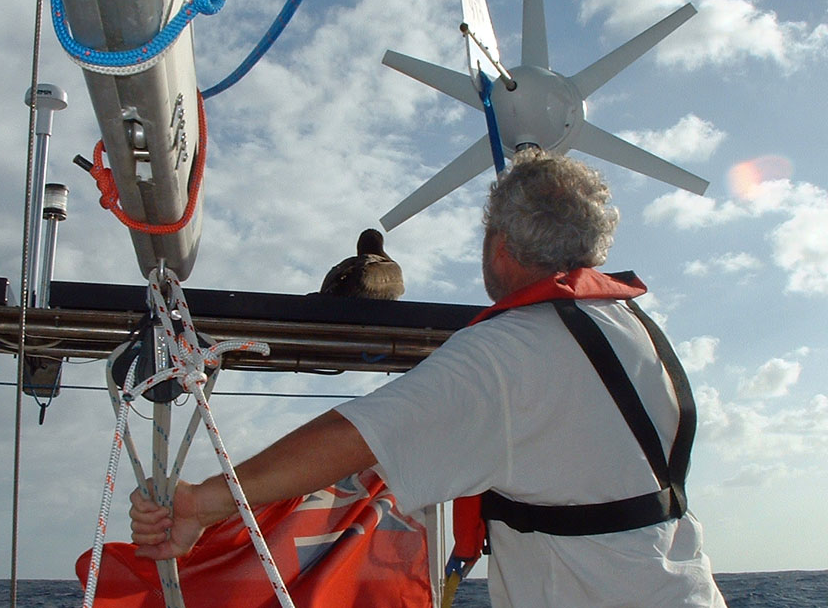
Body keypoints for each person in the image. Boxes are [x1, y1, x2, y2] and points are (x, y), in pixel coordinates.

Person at [130, 150, 727, 607]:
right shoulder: (640, 332)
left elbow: (353, 436)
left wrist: (201, 503)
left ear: (500, 246)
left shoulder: (505, 354)